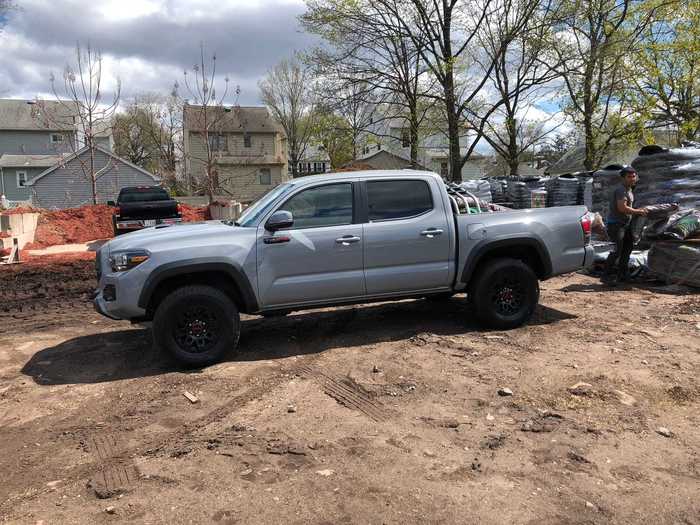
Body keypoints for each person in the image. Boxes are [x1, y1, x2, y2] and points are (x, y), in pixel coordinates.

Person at [602, 166, 648, 285]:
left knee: (627, 249)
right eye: (629, 177)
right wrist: (638, 211)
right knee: (617, 250)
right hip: (616, 225)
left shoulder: (629, 190)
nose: (632, 179)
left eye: (634, 176)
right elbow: (622, 208)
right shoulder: (621, 190)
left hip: (626, 225)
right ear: (623, 178)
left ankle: (623, 275)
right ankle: (605, 276)